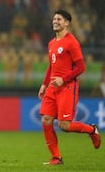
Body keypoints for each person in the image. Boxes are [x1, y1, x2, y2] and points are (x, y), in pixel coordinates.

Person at [37, 9, 101, 165]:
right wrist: (44, 84)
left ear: (67, 23)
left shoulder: (71, 42)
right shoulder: (51, 43)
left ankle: (92, 130)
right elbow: (51, 66)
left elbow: (81, 67)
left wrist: (63, 79)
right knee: (46, 120)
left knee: (64, 126)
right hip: (52, 87)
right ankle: (56, 158)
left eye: (59, 19)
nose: (55, 21)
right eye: (54, 19)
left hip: (67, 87)